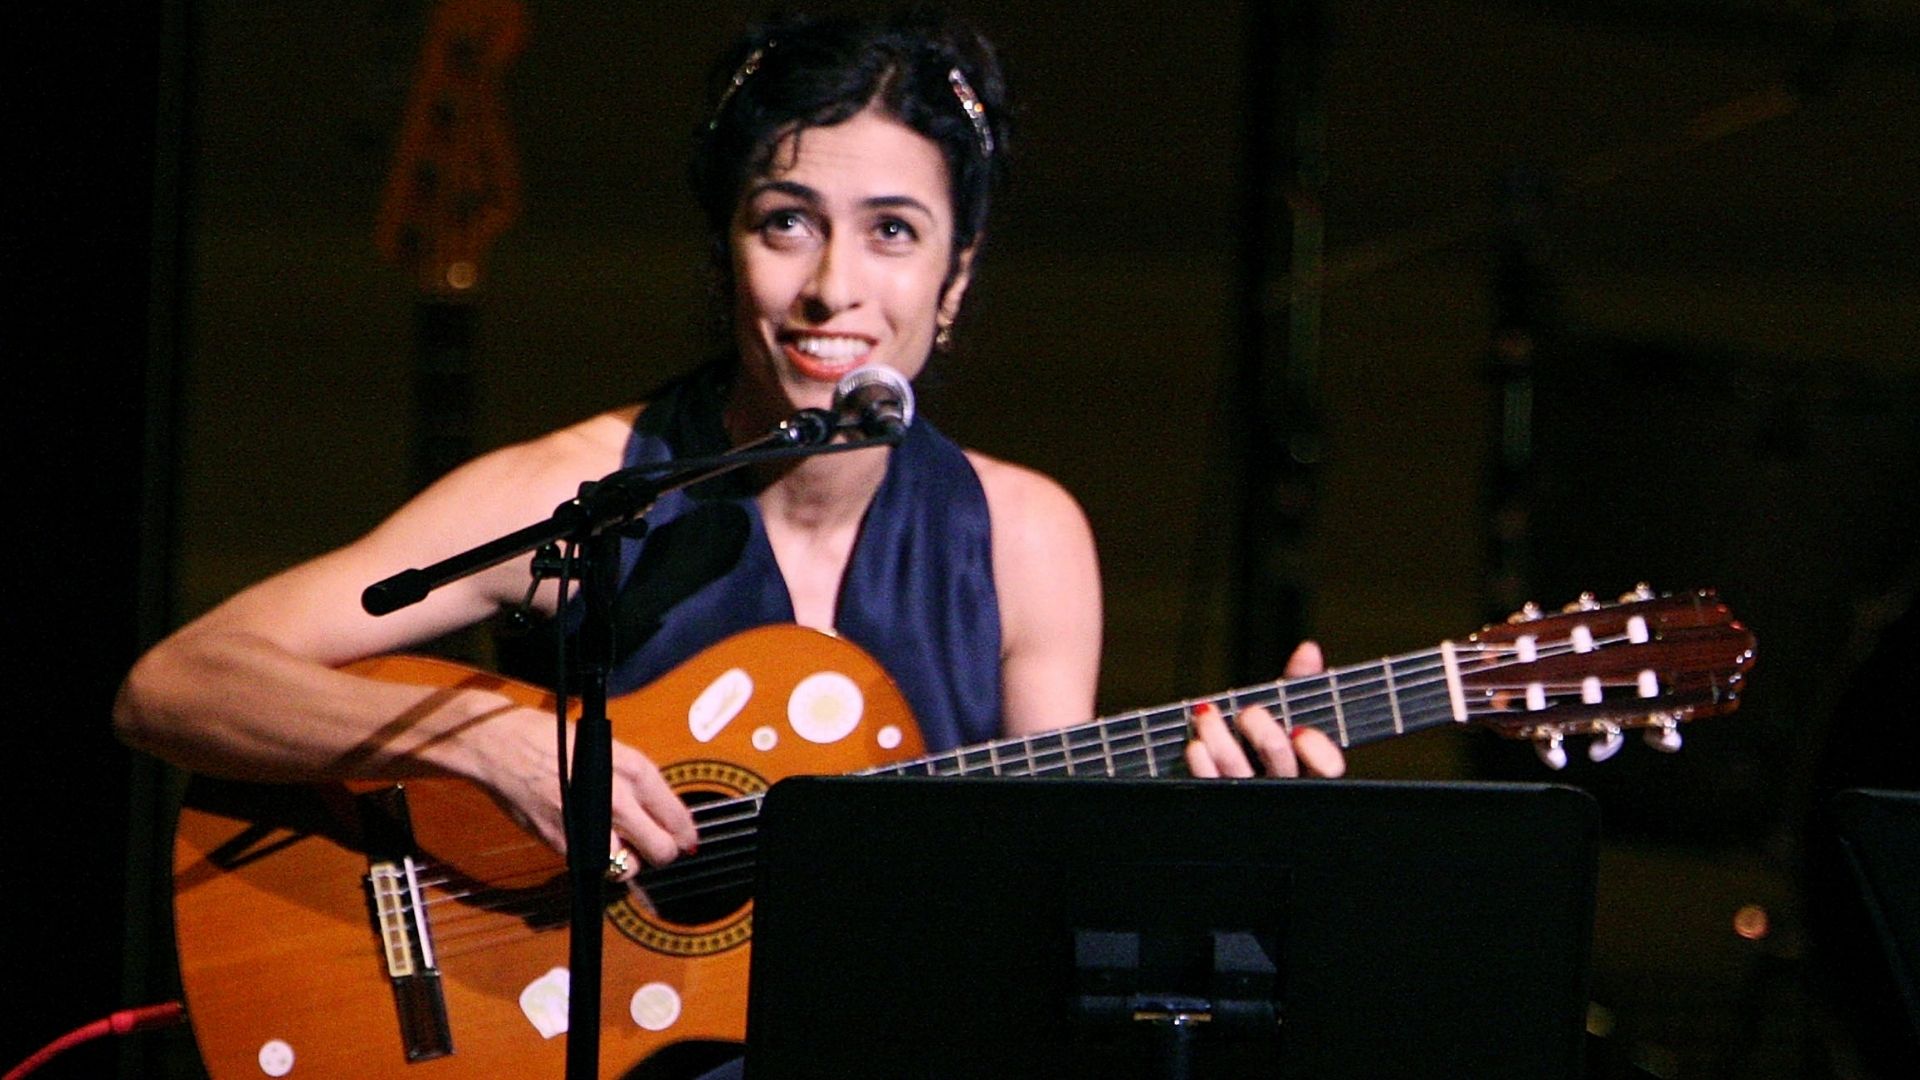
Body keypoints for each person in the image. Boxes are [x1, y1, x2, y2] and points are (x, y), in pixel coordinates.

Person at [114, 10, 1344, 1076]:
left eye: (895, 232)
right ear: (726, 250)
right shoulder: (578, 485)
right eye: (788, 222)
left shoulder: (1023, 533)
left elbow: (1038, 901)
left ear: (958, 278)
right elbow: (174, 683)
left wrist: (1229, 814)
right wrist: (488, 743)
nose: (834, 290)